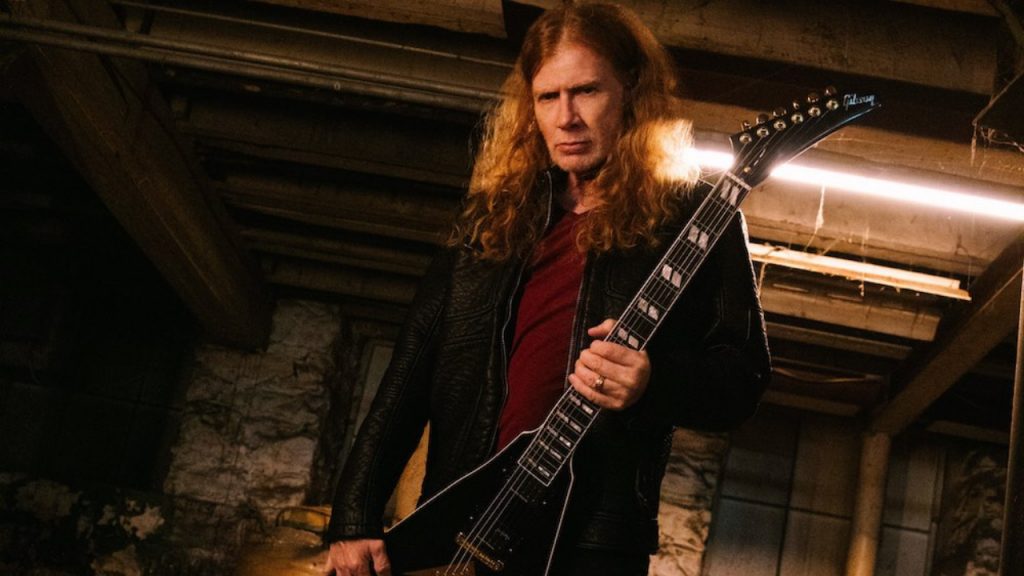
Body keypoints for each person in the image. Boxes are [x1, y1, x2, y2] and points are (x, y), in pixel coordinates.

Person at [323, 2, 770, 574]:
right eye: (547, 97)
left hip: (593, 539)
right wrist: (354, 518)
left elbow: (743, 378)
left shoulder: (696, 220)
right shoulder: (493, 219)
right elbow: (409, 371)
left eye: (586, 91)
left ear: (631, 89)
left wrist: (655, 381)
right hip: (460, 524)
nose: (566, 118)